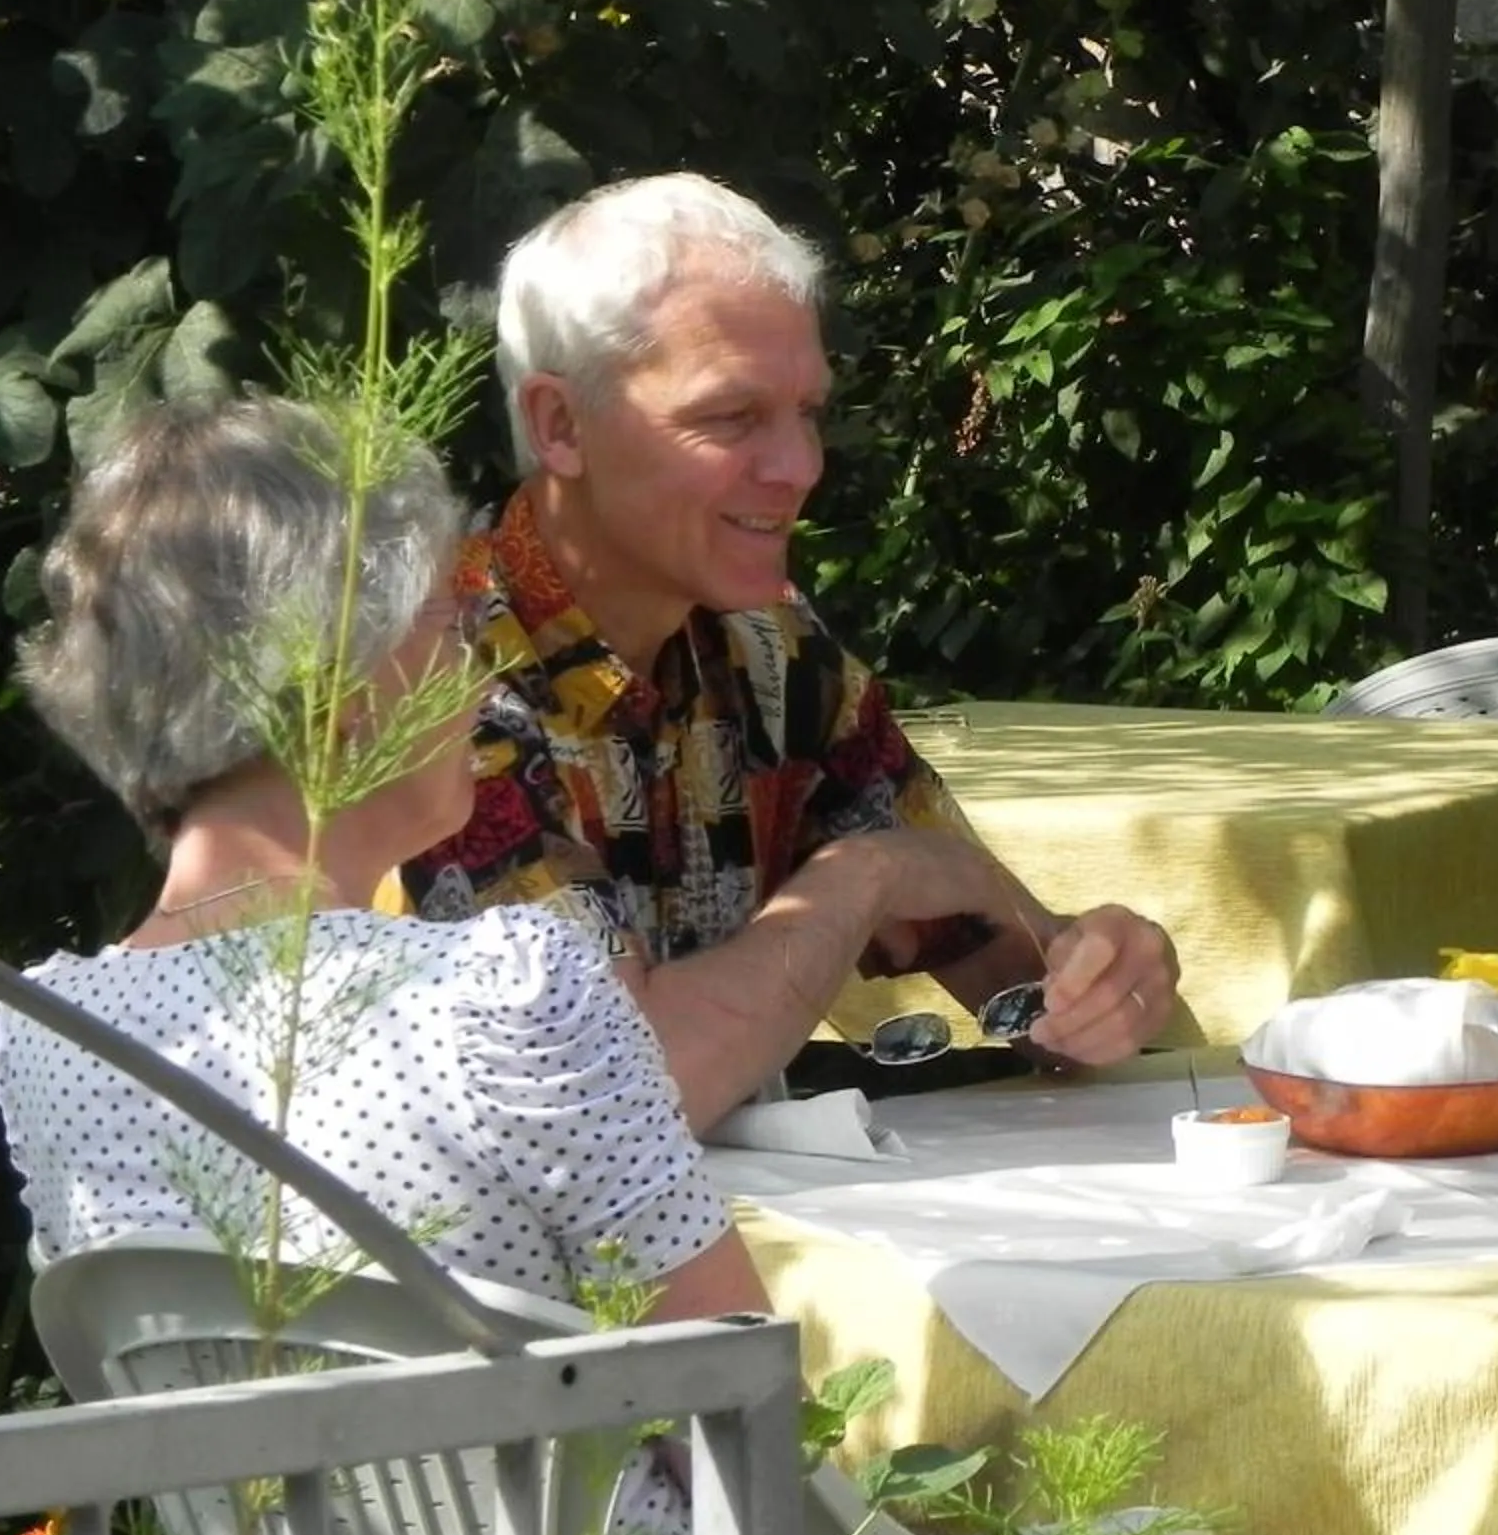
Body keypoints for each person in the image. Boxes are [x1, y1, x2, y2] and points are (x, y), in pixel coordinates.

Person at [0, 396, 758, 1535]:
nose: (485, 672)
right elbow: (744, 1421)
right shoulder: (508, 993)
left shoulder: (47, 1040)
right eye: (453, 627)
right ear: (341, 689)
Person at [401, 173, 1179, 1130]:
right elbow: (616, 1093)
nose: (801, 467)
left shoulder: (771, 649)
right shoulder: (428, 681)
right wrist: (862, 880)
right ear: (561, 425)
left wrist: (1111, 983)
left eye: (806, 411)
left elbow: (1026, 986)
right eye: (732, 416)